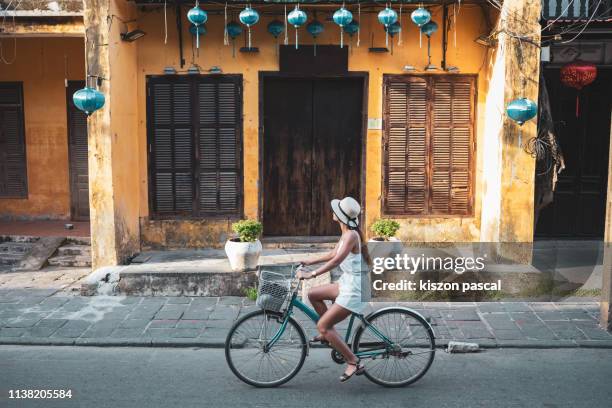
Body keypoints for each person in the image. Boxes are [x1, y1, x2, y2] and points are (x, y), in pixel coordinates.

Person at [296, 196, 370, 382]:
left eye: (335, 210)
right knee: (313, 294)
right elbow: (332, 254)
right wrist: (309, 261)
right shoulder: (347, 232)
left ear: (340, 216)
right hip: (348, 282)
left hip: (355, 289)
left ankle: (354, 361)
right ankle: (330, 335)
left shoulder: (351, 235)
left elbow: (336, 261)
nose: (332, 212)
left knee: (322, 325)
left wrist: (311, 275)